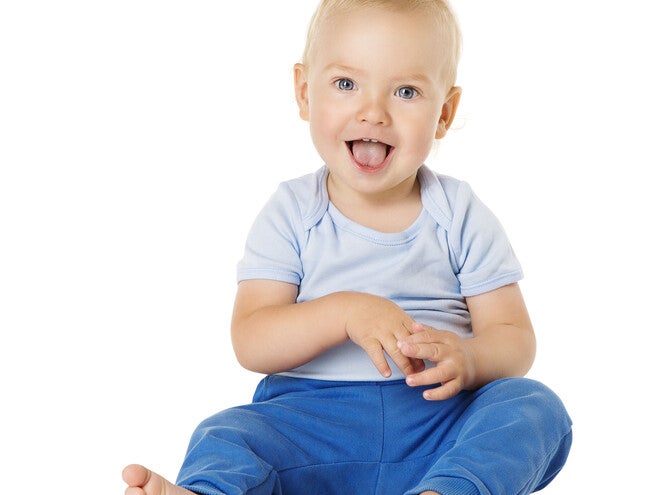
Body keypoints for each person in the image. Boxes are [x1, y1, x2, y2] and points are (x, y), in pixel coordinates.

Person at [123, 0, 572, 493]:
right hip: (312, 427)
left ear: (444, 113)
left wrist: (470, 359)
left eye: (406, 91)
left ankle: (447, 489)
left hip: (437, 426)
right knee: (226, 432)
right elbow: (251, 338)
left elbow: (513, 337)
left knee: (533, 407)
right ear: (303, 92)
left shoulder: (459, 213)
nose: (373, 112)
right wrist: (342, 314)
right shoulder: (293, 211)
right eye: (345, 84)